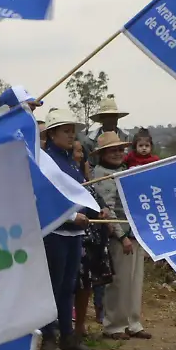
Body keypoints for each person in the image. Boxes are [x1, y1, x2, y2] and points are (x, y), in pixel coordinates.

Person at [39, 108, 93, 350]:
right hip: (56, 232)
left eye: (73, 131)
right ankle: (49, 338)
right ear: (51, 134)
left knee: (69, 285)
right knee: (53, 286)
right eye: (66, 131)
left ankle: (67, 336)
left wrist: (94, 211)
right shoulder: (45, 161)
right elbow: (47, 197)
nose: (71, 135)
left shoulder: (71, 161)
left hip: (75, 234)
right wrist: (71, 216)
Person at [87, 132, 150, 340]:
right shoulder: (102, 175)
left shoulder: (125, 171)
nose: (117, 154)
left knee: (134, 280)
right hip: (118, 237)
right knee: (118, 283)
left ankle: (133, 322)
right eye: (111, 150)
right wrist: (121, 237)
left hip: (135, 233)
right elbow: (109, 210)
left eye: (119, 149)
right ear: (103, 154)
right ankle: (114, 325)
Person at [71, 139, 109, 338]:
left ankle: (80, 325)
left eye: (80, 152)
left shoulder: (85, 179)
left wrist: (102, 209)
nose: (78, 155)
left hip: (93, 239)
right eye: (75, 151)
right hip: (75, 237)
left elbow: (97, 198)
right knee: (71, 284)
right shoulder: (63, 176)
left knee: (86, 284)